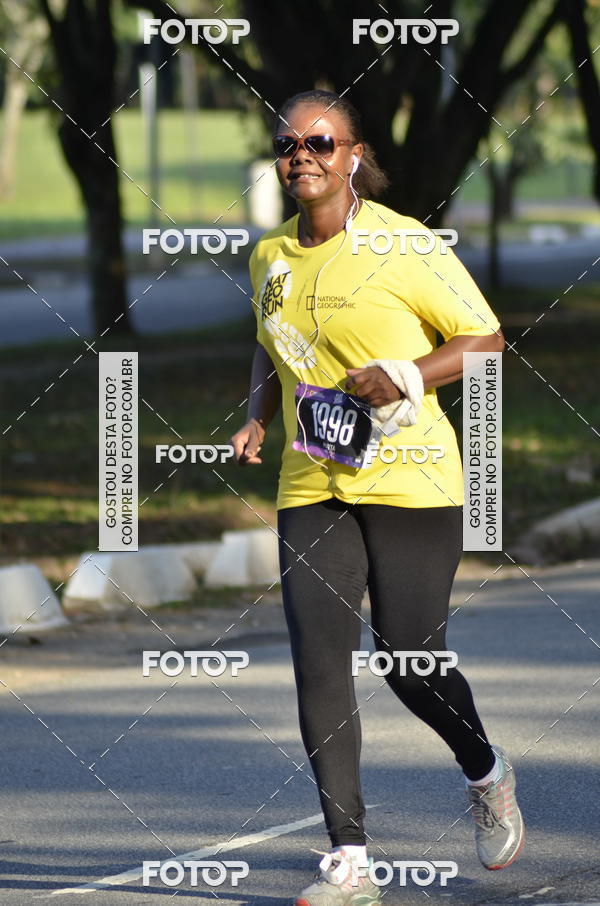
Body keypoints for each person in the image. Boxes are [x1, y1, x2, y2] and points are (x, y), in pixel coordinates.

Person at [231, 89, 524, 906]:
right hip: (311, 478)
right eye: (288, 145)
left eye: (321, 143)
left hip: (411, 478)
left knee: (409, 659)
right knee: (319, 661)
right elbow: (268, 340)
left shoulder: (409, 245)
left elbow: (487, 338)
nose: (303, 157)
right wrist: (257, 416)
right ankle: (350, 861)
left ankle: (486, 769)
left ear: (354, 154)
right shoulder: (268, 259)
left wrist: (403, 375)